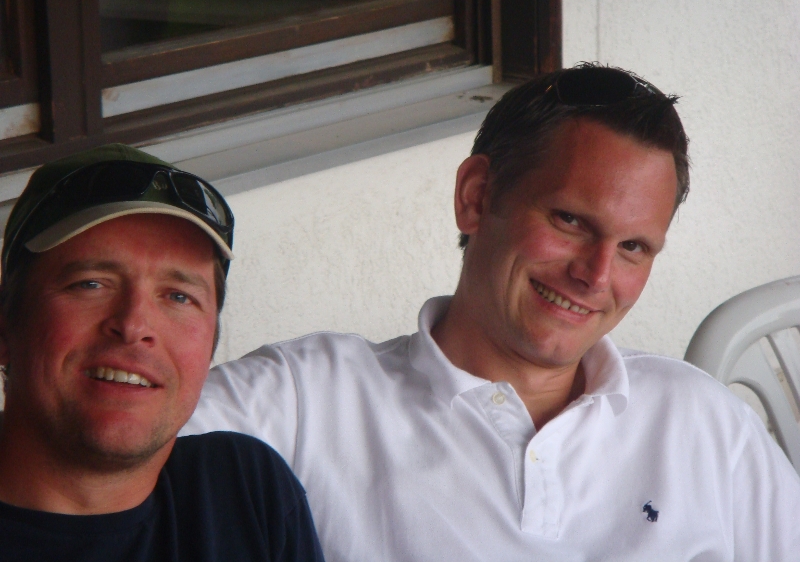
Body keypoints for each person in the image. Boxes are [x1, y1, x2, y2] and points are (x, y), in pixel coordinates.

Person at [183, 64, 800, 560]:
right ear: (476, 197)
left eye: (633, 248)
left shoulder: (704, 423)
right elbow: (130, 445)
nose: (595, 276)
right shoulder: (309, 404)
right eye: (570, 220)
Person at [0, 144, 324, 561]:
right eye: (91, 284)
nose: (135, 325)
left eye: (178, 296)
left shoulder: (243, 490)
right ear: (5, 327)